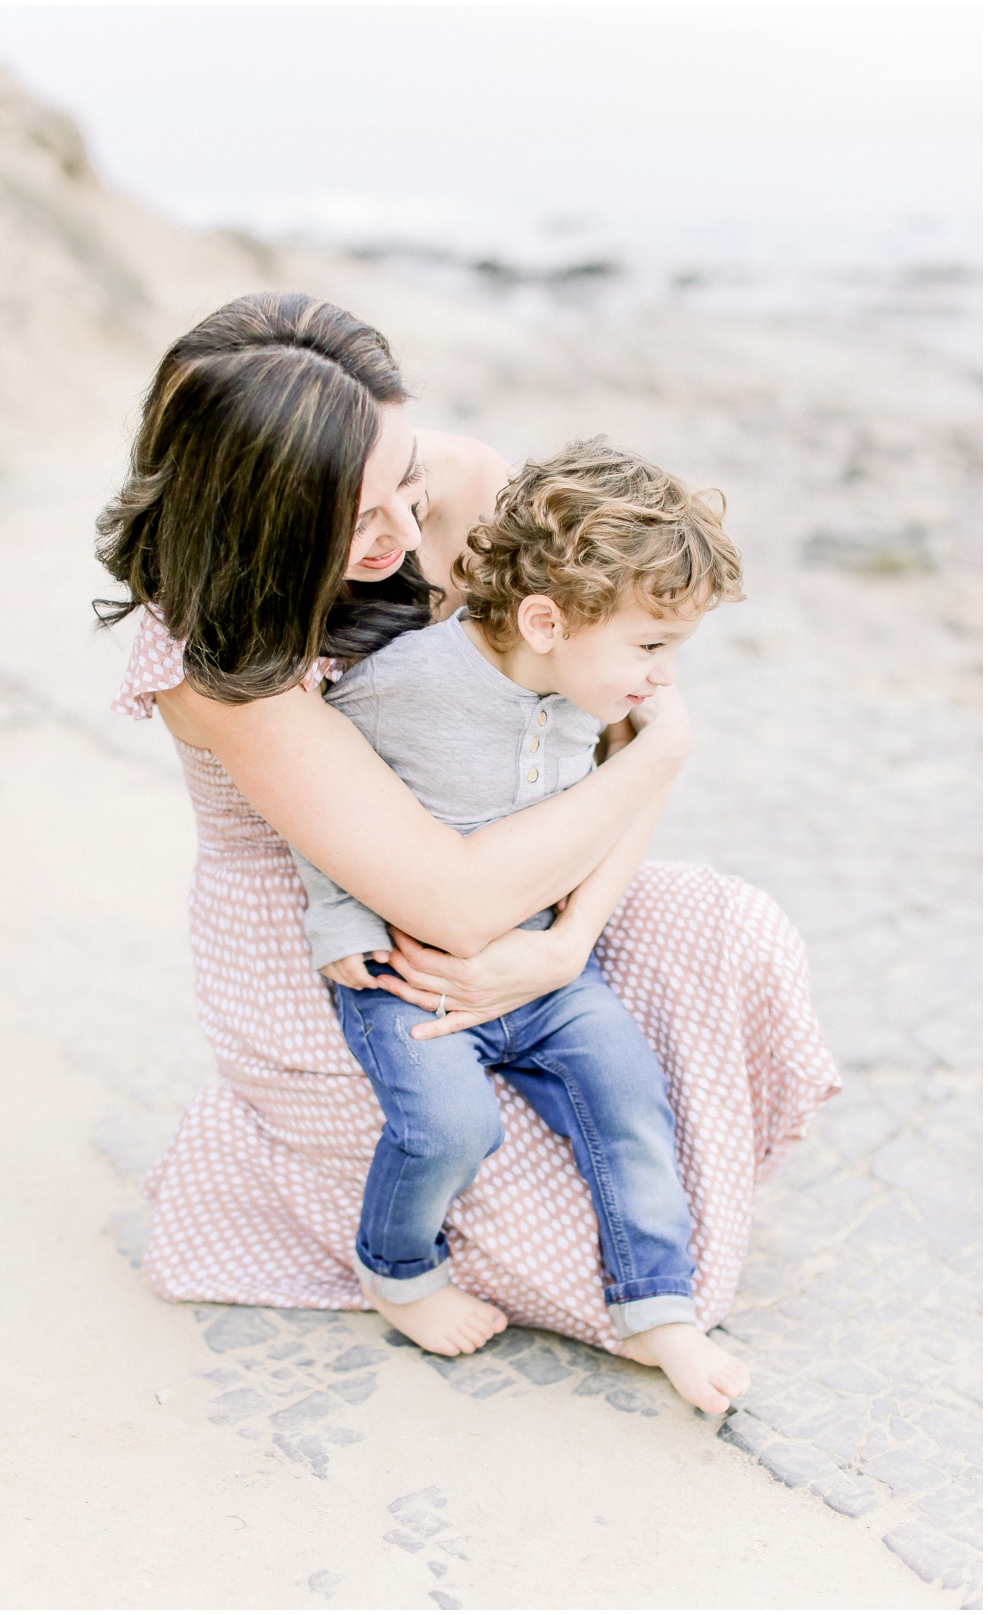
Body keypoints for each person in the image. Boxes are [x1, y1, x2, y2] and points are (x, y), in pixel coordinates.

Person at [99, 290, 839, 1367]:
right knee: (508, 1202)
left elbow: (613, 733)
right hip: (347, 947)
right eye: (357, 522)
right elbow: (445, 895)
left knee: (725, 927)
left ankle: (646, 1255)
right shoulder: (213, 653)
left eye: (406, 479)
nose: (406, 533)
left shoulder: (463, 487)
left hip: (534, 872)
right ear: (258, 522)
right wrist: (663, 751)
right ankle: (337, 1210)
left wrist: (567, 942)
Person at [292, 437, 751, 1412]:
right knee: (450, 1126)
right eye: (652, 648)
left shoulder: (587, 688)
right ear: (544, 619)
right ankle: (400, 1268)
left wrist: (564, 944)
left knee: (631, 1092)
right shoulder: (402, 683)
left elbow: (620, 798)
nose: (662, 679)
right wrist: (341, 927)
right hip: (410, 968)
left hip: (545, 973)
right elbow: (321, 802)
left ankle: (655, 1305)